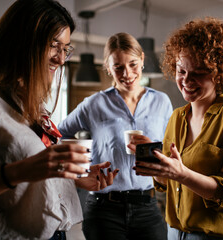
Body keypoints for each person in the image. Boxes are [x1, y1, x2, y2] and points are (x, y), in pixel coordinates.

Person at [0, 0, 117, 239]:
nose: (60, 59)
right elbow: (24, 169)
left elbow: (34, 177)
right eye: (53, 45)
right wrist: (18, 172)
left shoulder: (32, 105)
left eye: (66, 49)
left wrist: (75, 179)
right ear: (22, 41)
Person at [132, 17, 223, 240]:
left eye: (198, 72)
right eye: (181, 71)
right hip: (175, 233)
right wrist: (159, 169)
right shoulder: (177, 118)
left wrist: (182, 174)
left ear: (220, 73)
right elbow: (169, 184)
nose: (186, 80)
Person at [58, 32, 173, 240]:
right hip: (103, 210)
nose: (127, 73)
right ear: (108, 67)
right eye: (118, 66)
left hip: (148, 206)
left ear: (143, 60)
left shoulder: (162, 102)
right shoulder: (93, 104)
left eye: (133, 64)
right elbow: (58, 135)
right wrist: (79, 173)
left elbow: (173, 149)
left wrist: (154, 149)